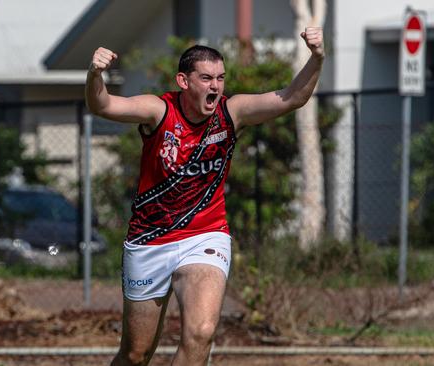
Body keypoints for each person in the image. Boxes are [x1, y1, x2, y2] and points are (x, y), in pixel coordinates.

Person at [86, 27, 324, 366]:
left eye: (221, 78)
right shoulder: (159, 111)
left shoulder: (232, 113)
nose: (216, 86)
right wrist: (95, 74)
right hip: (149, 241)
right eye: (206, 78)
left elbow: (292, 97)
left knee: (201, 332)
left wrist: (317, 58)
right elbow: (103, 104)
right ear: (183, 81)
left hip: (205, 236)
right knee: (136, 354)